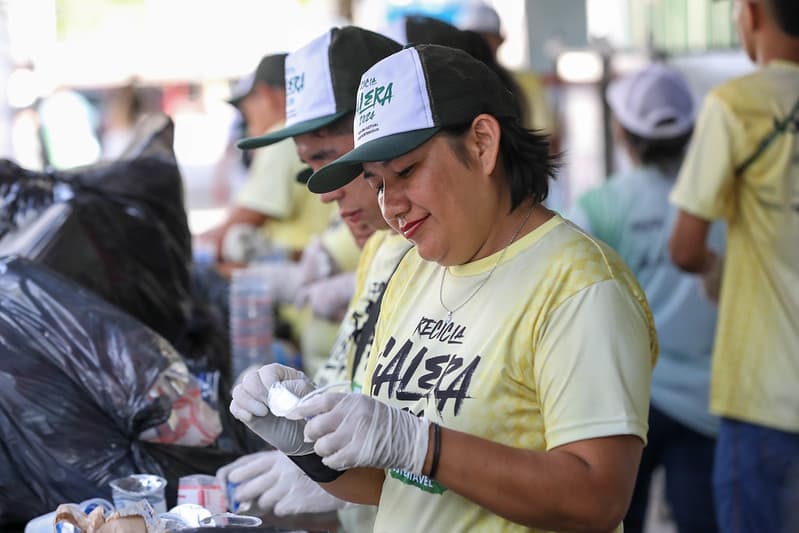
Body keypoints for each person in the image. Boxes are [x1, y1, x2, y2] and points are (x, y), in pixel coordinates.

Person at [230, 44, 658, 532]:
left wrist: (423, 444)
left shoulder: (579, 286)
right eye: (377, 183)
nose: (392, 206)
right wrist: (309, 444)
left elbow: (597, 498)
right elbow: (389, 485)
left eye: (407, 172)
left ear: (481, 143)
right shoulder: (412, 270)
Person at [217, 27, 406, 533]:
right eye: (310, 168)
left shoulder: (450, 261)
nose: (327, 193)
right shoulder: (383, 250)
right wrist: (312, 458)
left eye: (331, 161)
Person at [568, 63, 722, 533]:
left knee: (617, 518)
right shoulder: (719, 199)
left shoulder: (600, 205)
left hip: (626, 395)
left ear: (622, 132)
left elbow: (572, 296)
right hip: (706, 398)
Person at [668, 1, 799, 531]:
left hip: (764, 394)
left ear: (749, 13)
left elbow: (685, 247)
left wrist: (713, 268)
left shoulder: (737, 104)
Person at [200, 53, 334, 263]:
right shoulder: (301, 135)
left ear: (267, 95)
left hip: (302, 275)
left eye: (246, 110)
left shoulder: (282, 138)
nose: (248, 122)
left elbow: (231, 230)